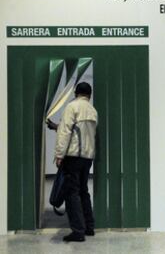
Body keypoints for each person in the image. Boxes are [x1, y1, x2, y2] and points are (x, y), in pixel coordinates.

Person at [47, 82, 98, 242]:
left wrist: (59, 154)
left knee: (72, 193)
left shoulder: (72, 107)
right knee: (83, 191)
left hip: (73, 156)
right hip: (87, 157)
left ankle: (78, 231)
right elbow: (79, 131)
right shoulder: (92, 110)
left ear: (76, 93)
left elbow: (66, 131)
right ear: (89, 94)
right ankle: (89, 227)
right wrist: (57, 126)